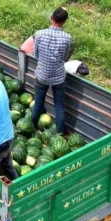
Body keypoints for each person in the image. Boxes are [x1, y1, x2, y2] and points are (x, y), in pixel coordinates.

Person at [31, 8, 73, 136]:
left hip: (42, 75)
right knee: (59, 106)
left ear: (52, 18)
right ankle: (60, 133)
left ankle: (32, 128)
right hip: (58, 77)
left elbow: (36, 54)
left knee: (38, 103)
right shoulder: (67, 38)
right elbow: (66, 57)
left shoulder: (39, 34)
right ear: (64, 22)